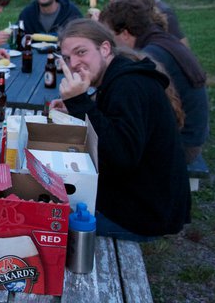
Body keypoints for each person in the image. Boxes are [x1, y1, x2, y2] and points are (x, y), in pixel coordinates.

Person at [51, 19, 190, 241]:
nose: (74, 63)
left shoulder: (129, 85)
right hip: (140, 196)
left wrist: (79, 102)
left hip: (144, 213)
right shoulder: (119, 75)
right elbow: (112, 124)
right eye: (67, 58)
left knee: (48, 219)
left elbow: (120, 156)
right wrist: (75, 109)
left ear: (105, 49)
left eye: (81, 52)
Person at [100, 0, 209, 164]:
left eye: (110, 36)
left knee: (113, 149)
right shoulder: (160, 39)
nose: (110, 43)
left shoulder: (151, 56)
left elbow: (131, 103)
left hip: (184, 144)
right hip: (189, 135)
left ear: (125, 34)